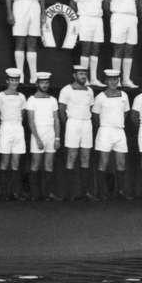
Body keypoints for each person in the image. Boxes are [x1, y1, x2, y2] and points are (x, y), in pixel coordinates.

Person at [59, 63, 96, 200]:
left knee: (85, 157)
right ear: (74, 75)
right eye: (80, 74)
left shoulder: (90, 91)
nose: (83, 76)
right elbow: (62, 110)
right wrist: (68, 124)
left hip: (86, 124)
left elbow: (91, 109)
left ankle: (84, 192)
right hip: (72, 123)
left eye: (85, 74)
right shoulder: (66, 90)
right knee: (71, 157)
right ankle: (70, 193)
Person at [92, 69, 131, 200]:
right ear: (106, 81)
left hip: (120, 131)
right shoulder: (100, 97)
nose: (113, 82)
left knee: (121, 162)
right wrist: (105, 126)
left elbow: (125, 113)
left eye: (116, 79)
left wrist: (117, 123)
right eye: (110, 80)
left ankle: (120, 192)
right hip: (105, 131)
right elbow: (96, 116)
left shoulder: (124, 95)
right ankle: (102, 193)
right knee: (104, 162)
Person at [69, 0, 106, 86]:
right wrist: (75, 22)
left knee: (96, 49)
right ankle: (85, 79)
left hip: (97, 19)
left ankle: (94, 78)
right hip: (84, 19)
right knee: (86, 49)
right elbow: (72, 4)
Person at [104, 0, 140, 86]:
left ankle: (126, 79)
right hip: (118, 17)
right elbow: (106, 4)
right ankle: (116, 79)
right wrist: (115, 16)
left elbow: (137, 3)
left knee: (129, 48)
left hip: (131, 18)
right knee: (118, 48)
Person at [0, 69, 28, 200]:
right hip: (5, 127)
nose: (14, 82)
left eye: (16, 80)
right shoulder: (0, 96)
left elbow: (22, 115)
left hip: (18, 128)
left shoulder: (22, 97)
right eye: (12, 80)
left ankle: (15, 192)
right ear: (7, 81)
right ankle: (3, 193)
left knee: (16, 162)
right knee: (5, 161)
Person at [26, 71, 60, 200]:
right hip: (37, 135)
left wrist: (57, 138)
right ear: (37, 84)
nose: (45, 85)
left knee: (49, 164)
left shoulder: (53, 100)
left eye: (46, 82)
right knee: (35, 164)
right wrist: (37, 139)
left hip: (50, 134)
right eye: (42, 82)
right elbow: (31, 121)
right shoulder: (31, 100)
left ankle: (47, 193)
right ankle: (34, 194)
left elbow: (56, 119)